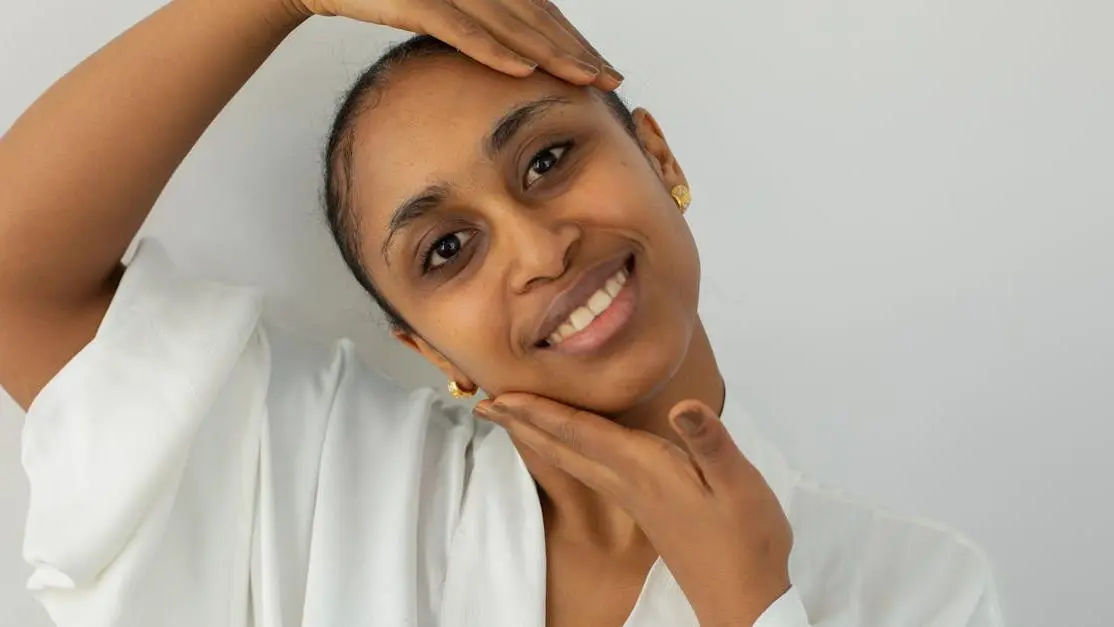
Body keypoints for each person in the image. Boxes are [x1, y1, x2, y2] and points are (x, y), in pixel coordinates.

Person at [0, 0, 1003, 626]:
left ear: (660, 158)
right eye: (445, 250)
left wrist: (747, 607)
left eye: (548, 159)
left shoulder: (915, 586)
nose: (538, 250)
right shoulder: (312, 477)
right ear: (421, 343)